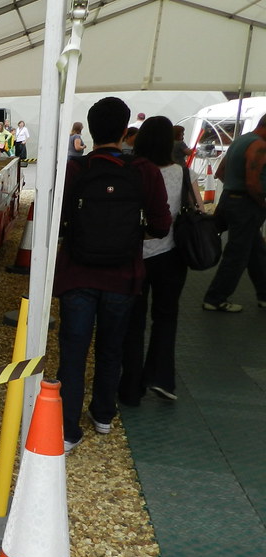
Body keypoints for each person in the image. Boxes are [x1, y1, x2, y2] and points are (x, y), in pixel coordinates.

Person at [54, 96, 171, 452]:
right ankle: (103, 415)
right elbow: (162, 225)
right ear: (125, 131)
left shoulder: (74, 170)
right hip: (123, 277)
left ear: (89, 130)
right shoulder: (145, 171)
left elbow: (55, 222)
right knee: (111, 347)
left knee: (73, 352)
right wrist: (133, 236)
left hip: (78, 275)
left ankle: (67, 430)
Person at [119, 116, 199, 405]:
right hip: (171, 255)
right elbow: (197, 207)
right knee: (166, 317)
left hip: (135, 254)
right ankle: (162, 378)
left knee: (134, 321)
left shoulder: (133, 170)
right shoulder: (182, 171)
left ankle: (131, 387)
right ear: (170, 142)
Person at [201, 114, 266, 313]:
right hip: (246, 204)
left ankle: (264, 295)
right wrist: (261, 203)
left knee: (256, 252)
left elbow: (221, 172)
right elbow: (252, 182)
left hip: (231, 199)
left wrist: (232, 190)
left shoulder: (241, 140)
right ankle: (215, 298)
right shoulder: (259, 146)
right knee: (237, 254)